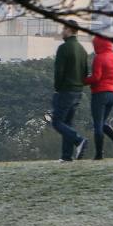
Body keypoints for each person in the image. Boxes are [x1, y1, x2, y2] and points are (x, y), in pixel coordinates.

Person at [49, 22, 89, 162]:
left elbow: (59, 72)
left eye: (64, 28)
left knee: (57, 122)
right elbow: (85, 73)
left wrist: (57, 88)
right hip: (78, 91)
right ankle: (66, 156)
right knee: (67, 123)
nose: (62, 31)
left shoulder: (64, 48)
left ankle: (79, 140)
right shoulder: (82, 50)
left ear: (70, 30)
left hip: (65, 90)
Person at [85, 34, 113, 158]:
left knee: (98, 124)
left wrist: (83, 80)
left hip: (99, 94)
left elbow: (96, 77)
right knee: (102, 123)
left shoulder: (99, 58)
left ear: (98, 44)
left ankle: (99, 154)